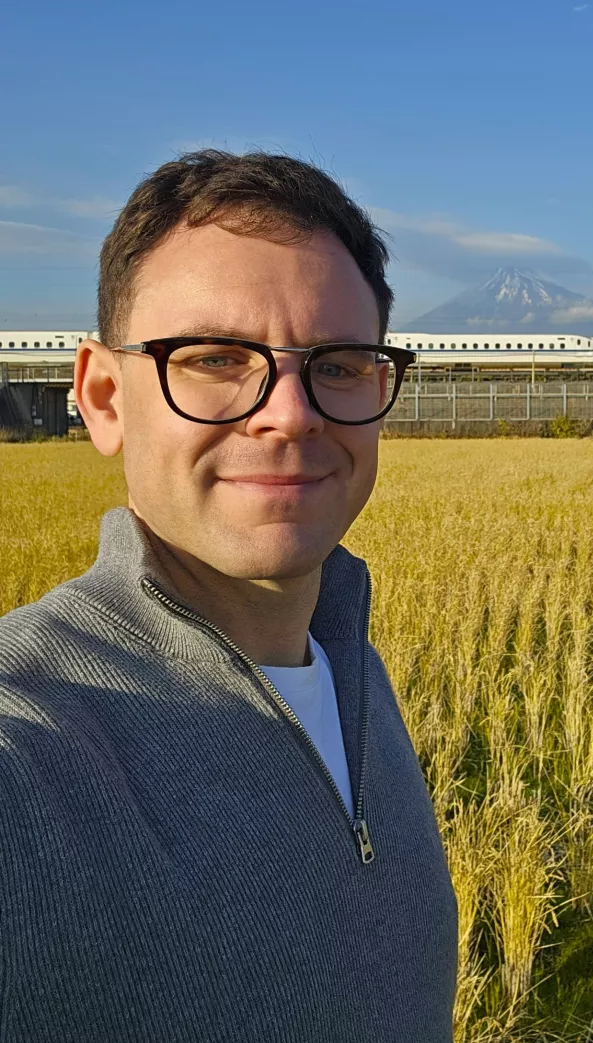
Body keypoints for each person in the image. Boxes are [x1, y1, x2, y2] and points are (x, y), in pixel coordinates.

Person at [0, 150, 458, 1042]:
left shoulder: (352, 670)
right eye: (213, 356)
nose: (289, 413)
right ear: (102, 396)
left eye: (338, 362)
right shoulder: (36, 749)